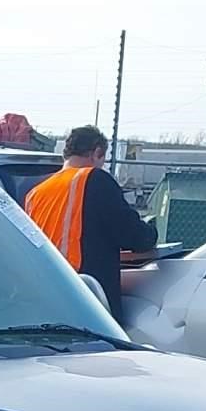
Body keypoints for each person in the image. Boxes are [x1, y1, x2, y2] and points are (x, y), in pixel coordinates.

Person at [23, 126, 155, 317]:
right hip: (87, 293)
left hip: (47, 292)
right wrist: (151, 232)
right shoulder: (94, 179)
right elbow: (131, 234)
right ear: (97, 153)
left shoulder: (36, 193)